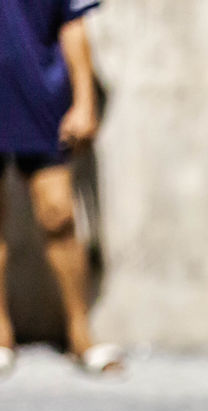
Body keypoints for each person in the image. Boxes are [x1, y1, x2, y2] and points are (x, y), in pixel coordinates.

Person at [0, 0, 123, 376]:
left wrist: (85, 102)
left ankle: (80, 333)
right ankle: (0, 335)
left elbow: (73, 23)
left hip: (42, 97)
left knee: (59, 214)